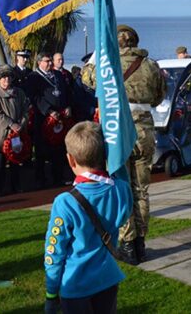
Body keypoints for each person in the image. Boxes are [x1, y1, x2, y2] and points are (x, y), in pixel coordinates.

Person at [81, 24, 166, 265]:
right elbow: (159, 97)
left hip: (120, 130)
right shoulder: (151, 66)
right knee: (141, 190)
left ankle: (128, 244)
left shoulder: (109, 65)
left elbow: (87, 78)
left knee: (122, 188)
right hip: (145, 130)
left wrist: (98, 53)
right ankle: (141, 243)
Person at [43, 121, 131, 314]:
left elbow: (54, 252)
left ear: (70, 160)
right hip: (107, 279)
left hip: (76, 286)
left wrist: (51, 292)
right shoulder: (121, 190)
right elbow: (122, 179)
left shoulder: (65, 203)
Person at [26, 53, 74, 188]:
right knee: (41, 150)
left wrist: (67, 106)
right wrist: (48, 111)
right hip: (43, 119)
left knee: (59, 149)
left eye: (50, 61)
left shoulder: (57, 75)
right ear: (39, 62)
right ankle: (40, 180)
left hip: (60, 118)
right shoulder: (33, 77)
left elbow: (66, 92)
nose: (50, 64)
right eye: (47, 61)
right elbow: (34, 97)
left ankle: (58, 177)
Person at [0, 64, 30, 194]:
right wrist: (11, 124)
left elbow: (26, 110)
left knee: (15, 162)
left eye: (8, 77)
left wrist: (21, 124)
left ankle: (16, 186)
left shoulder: (20, 93)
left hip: (17, 134)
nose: (6, 80)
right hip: (1, 134)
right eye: (3, 77)